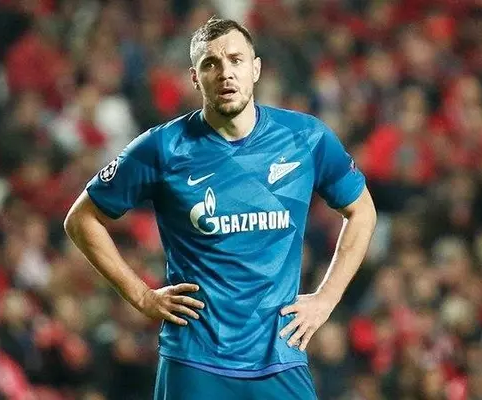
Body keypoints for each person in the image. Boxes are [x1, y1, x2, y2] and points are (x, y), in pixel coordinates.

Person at [64, 17, 377, 400]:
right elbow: (82, 219)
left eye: (235, 60)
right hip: (195, 362)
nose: (225, 72)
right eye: (211, 63)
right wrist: (141, 296)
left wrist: (327, 297)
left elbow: (362, 210)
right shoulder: (163, 147)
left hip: (280, 357)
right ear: (195, 78)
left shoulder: (305, 137)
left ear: (255, 69)